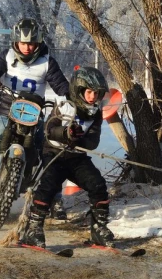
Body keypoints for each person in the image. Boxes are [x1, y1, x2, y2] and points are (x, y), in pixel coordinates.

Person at [0, 18, 69, 224]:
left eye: (31, 44)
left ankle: (56, 199)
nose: (27, 48)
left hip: (34, 115)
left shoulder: (47, 62)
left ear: (38, 43)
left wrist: (69, 96)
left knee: (47, 155)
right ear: (15, 42)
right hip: (5, 112)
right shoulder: (7, 56)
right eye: (23, 43)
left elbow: (61, 84)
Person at [20, 66, 114, 248]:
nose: (93, 97)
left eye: (97, 93)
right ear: (78, 90)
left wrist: (80, 140)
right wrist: (66, 133)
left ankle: (99, 229)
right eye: (89, 92)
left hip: (77, 157)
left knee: (98, 185)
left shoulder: (95, 112)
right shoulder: (64, 105)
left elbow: (93, 141)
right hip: (54, 153)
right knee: (48, 186)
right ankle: (33, 229)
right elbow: (49, 130)